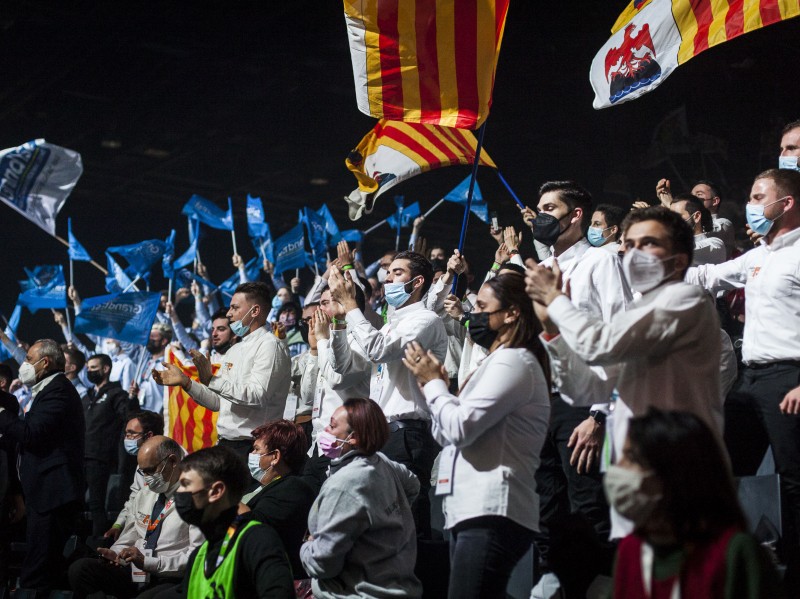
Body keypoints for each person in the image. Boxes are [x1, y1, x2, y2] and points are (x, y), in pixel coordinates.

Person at [527, 205, 724, 457]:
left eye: (648, 243)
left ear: (679, 259)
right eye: (629, 244)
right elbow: (586, 390)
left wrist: (556, 302)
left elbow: (600, 346)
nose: (630, 252)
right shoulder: (639, 309)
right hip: (632, 457)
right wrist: (553, 332)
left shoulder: (685, 300)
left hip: (676, 459)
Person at [403, 273, 552, 599]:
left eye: (483, 307)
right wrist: (435, 389)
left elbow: (459, 426)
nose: (474, 315)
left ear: (511, 313)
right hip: (470, 509)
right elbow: (446, 435)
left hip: (493, 508)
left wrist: (434, 385)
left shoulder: (514, 362)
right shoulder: (495, 361)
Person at [684, 168, 800, 582]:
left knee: (793, 479)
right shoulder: (758, 256)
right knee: (723, 468)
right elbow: (705, 276)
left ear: (785, 203)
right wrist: (658, 257)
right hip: (749, 381)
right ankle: (730, 565)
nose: (750, 206)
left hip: (791, 379)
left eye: (757, 197)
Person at [328, 251, 448, 539]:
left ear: (417, 281)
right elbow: (342, 367)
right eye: (388, 272)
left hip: (408, 436)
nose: (387, 278)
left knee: (411, 526)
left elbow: (377, 350)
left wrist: (351, 304)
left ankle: (424, 581)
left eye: (397, 273)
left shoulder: (426, 320)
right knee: (386, 526)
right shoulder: (390, 325)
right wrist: (340, 323)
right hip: (383, 435)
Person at [608, 409, 779, 598]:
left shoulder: (735, 553)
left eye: (630, 458)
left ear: (673, 473)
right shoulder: (630, 551)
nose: (618, 469)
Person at [154, 282, 292, 465]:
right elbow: (218, 402)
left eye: (234, 308)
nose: (229, 314)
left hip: (254, 447)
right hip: (226, 444)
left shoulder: (270, 345)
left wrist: (212, 380)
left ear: (255, 311)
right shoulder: (235, 350)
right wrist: (186, 382)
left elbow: (258, 396)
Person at [300, 398, 422, 599]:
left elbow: (323, 565)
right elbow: (413, 485)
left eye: (332, 426)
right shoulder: (382, 462)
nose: (325, 432)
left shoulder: (345, 484)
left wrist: (307, 545)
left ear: (353, 437)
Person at [0, 340, 85, 596]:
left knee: (38, 571)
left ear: (44, 362)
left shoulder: (58, 390)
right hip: (43, 493)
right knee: (38, 564)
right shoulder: (48, 389)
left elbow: (31, 434)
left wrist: (2, 412)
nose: (23, 365)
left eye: (27, 358)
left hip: (53, 495)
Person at [69, 436, 203, 599]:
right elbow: (130, 536)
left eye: (151, 470)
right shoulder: (144, 495)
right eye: (143, 472)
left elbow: (196, 558)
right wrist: (115, 555)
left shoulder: (196, 499)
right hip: (136, 572)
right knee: (80, 569)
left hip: (168, 576)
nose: (146, 478)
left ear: (173, 461)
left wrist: (150, 563)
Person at [164, 445, 294, 599]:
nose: (179, 493)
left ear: (216, 491)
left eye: (185, 484)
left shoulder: (257, 540)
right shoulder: (198, 557)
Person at [301, 287, 371, 492]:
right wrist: (314, 351)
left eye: (326, 302)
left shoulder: (359, 341)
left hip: (345, 446)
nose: (320, 309)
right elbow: (306, 397)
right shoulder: (324, 343)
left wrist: (322, 341)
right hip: (317, 446)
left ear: (346, 304)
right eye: (320, 303)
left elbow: (336, 380)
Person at [241, 420, 316, 580]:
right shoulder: (256, 487)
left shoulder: (293, 489)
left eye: (256, 450)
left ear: (275, 457)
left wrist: (225, 494)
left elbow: (254, 526)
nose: (251, 455)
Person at [83, 353, 139, 536]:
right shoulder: (88, 395)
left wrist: (132, 399)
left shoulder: (117, 394)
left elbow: (129, 415)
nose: (89, 371)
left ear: (105, 369)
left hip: (99, 456)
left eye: (93, 367)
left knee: (96, 504)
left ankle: (98, 544)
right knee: (74, 502)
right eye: (88, 367)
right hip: (80, 455)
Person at [106, 410, 165, 542]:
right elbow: (134, 498)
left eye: (132, 434)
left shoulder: (169, 464)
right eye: (126, 434)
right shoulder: (140, 465)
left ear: (149, 435)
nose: (127, 439)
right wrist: (118, 524)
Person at [656, 178, 735, 258]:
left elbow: (706, 229)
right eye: (692, 195)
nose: (693, 198)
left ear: (714, 201)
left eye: (699, 194)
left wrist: (671, 206)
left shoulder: (724, 224)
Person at [669, 193, 726, 266]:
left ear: (696, 217)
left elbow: (688, 249)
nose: (673, 222)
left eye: (678, 216)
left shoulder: (715, 245)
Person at [131, 323, 174, 414]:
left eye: (153, 336)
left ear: (163, 341)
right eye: (148, 336)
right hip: (140, 410)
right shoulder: (146, 360)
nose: (149, 339)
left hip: (158, 414)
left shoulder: (169, 365)